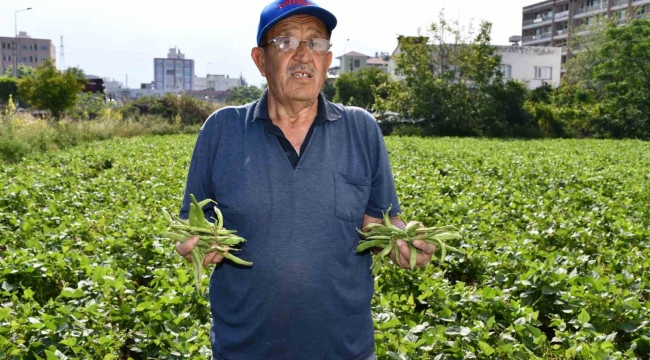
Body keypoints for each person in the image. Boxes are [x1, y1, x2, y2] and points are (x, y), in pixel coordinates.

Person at [175, 1, 436, 359]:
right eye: (285, 42)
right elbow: (194, 224)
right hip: (244, 349)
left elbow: (377, 227)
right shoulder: (221, 130)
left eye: (315, 43)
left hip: (344, 349)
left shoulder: (362, 129)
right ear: (260, 60)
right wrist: (197, 247)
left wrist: (404, 244)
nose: (303, 55)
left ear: (328, 61)